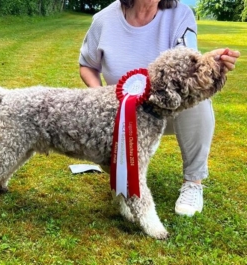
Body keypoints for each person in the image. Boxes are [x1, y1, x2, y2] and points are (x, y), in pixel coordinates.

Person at [78, 0, 240, 217]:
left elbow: (191, 62)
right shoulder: (104, 19)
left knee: (198, 104)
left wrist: (212, 61)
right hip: (120, 115)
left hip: (164, 109)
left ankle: (193, 182)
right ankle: (116, 164)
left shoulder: (181, 14)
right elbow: (87, 65)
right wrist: (98, 95)